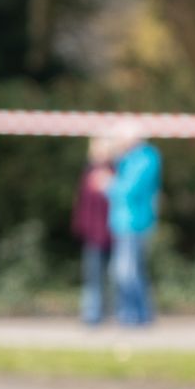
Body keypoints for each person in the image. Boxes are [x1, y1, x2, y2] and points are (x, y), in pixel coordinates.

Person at [105, 123, 163, 327]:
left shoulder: (145, 159)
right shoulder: (129, 159)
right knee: (129, 271)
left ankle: (135, 314)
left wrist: (107, 185)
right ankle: (135, 314)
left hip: (135, 223)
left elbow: (128, 190)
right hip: (124, 223)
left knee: (126, 272)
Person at [72, 137, 116, 326]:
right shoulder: (88, 173)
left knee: (113, 277)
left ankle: (108, 313)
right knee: (93, 276)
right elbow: (83, 205)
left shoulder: (115, 172)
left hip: (113, 234)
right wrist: (82, 227)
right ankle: (92, 315)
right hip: (93, 235)